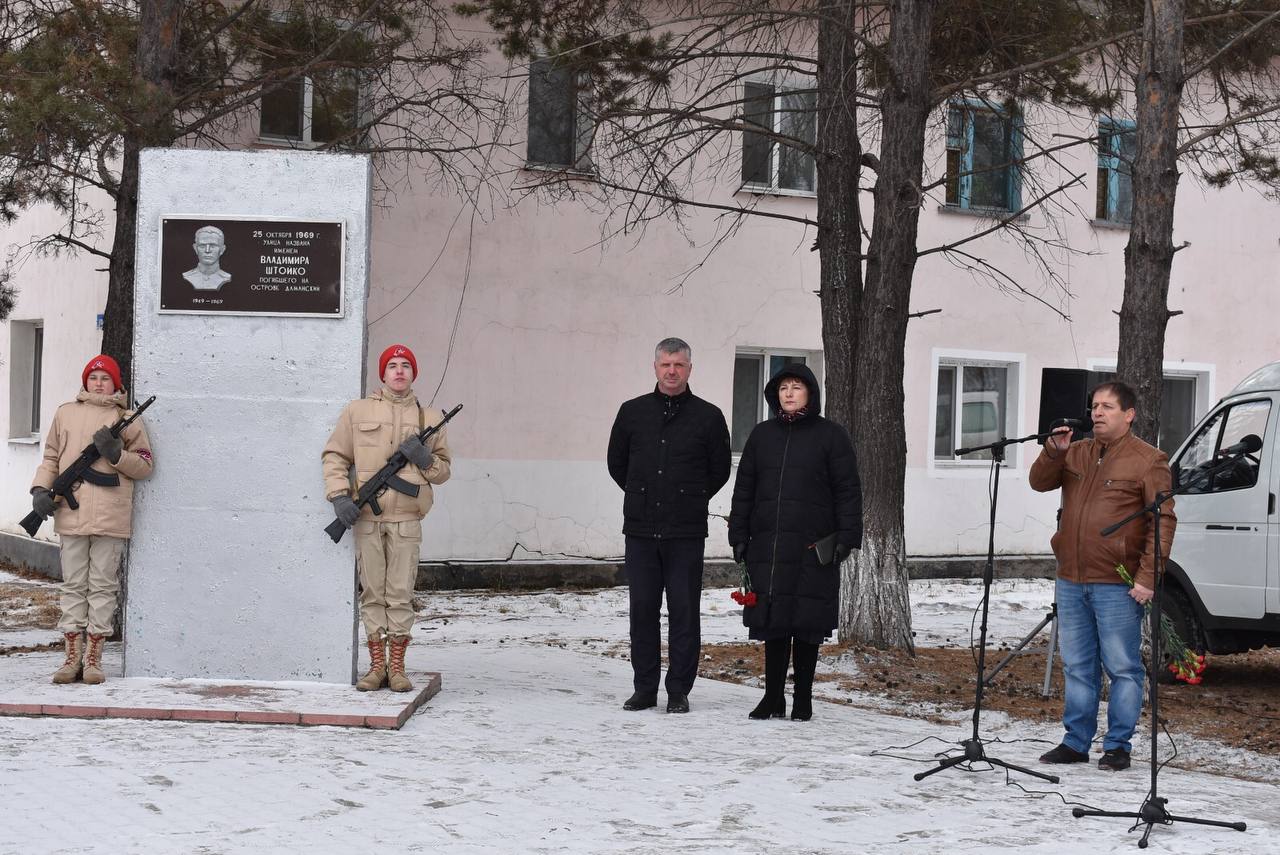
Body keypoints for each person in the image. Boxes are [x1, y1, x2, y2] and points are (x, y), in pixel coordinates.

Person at [1030, 380, 1175, 771]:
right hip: (1072, 578)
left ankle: (1117, 746)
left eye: (1107, 407)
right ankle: (1076, 742)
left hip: (1117, 581)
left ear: (1128, 414)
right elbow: (1039, 482)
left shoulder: (1149, 459)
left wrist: (1147, 577)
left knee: (1122, 667)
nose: (1097, 413)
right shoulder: (1074, 453)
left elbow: (1162, 522)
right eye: (1094, 406)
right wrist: (1053, 452)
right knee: (1077, 665)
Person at [728, 364, 861, 721]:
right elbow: (745, 491)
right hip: (769, 547)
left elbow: (848, 489)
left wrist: (848, 537)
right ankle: (772, 697)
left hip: (812, 547)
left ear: (810, 394)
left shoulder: (831, 436)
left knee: (806, 623)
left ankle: (803, 697)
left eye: (797, 387)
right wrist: (738, 535)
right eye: (784, 387)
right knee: (773, 623)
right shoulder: (762, 436)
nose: (789, 393)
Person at [607, 338, 731, 714]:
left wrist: (688, 497)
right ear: (655, 367)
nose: (672, 371)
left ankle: (678, 690)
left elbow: (720, 470)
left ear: (690, 369)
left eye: (679, 365)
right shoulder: (632, 412)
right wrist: (643, 493)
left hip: (685, 532)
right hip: (641, 531)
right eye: (666, 365)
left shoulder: (708, 417)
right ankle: (644, 688)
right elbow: (617, 464)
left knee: (684, 612)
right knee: (642, 610)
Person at [322, 344, 452, 692]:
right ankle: (376, 666)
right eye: (392, 365)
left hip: (407, 519)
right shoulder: (357, 410)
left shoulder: (430, 418)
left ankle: (397, 667)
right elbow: (335, 456)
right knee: (372, 594)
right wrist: (338, 497)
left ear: (413, 373)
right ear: (382, 374)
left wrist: (424, 459)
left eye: (405, 365)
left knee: (400, 593)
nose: (398, 371)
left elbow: (443, 472)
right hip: (367, 517)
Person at [29, 355, 154, 685]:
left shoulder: (125, 419)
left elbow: (144, 465)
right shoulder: (65, 413)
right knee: (73, 586)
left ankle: (94, 659)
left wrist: (116, 455)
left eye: (105, 378)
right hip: (71, 513)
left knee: (102, 586)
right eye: (94, 377)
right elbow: (52, 457)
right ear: (85, 381)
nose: (99, 383)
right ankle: (71, 658)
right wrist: (41, 489)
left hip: (110, 515)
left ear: (116, 384)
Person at [182, 225, 232, 290]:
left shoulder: (227, 277)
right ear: (195, 248)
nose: (207, 251)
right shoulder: (187, 276)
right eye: (202, 246)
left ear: (222, 249)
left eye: (213, 246)